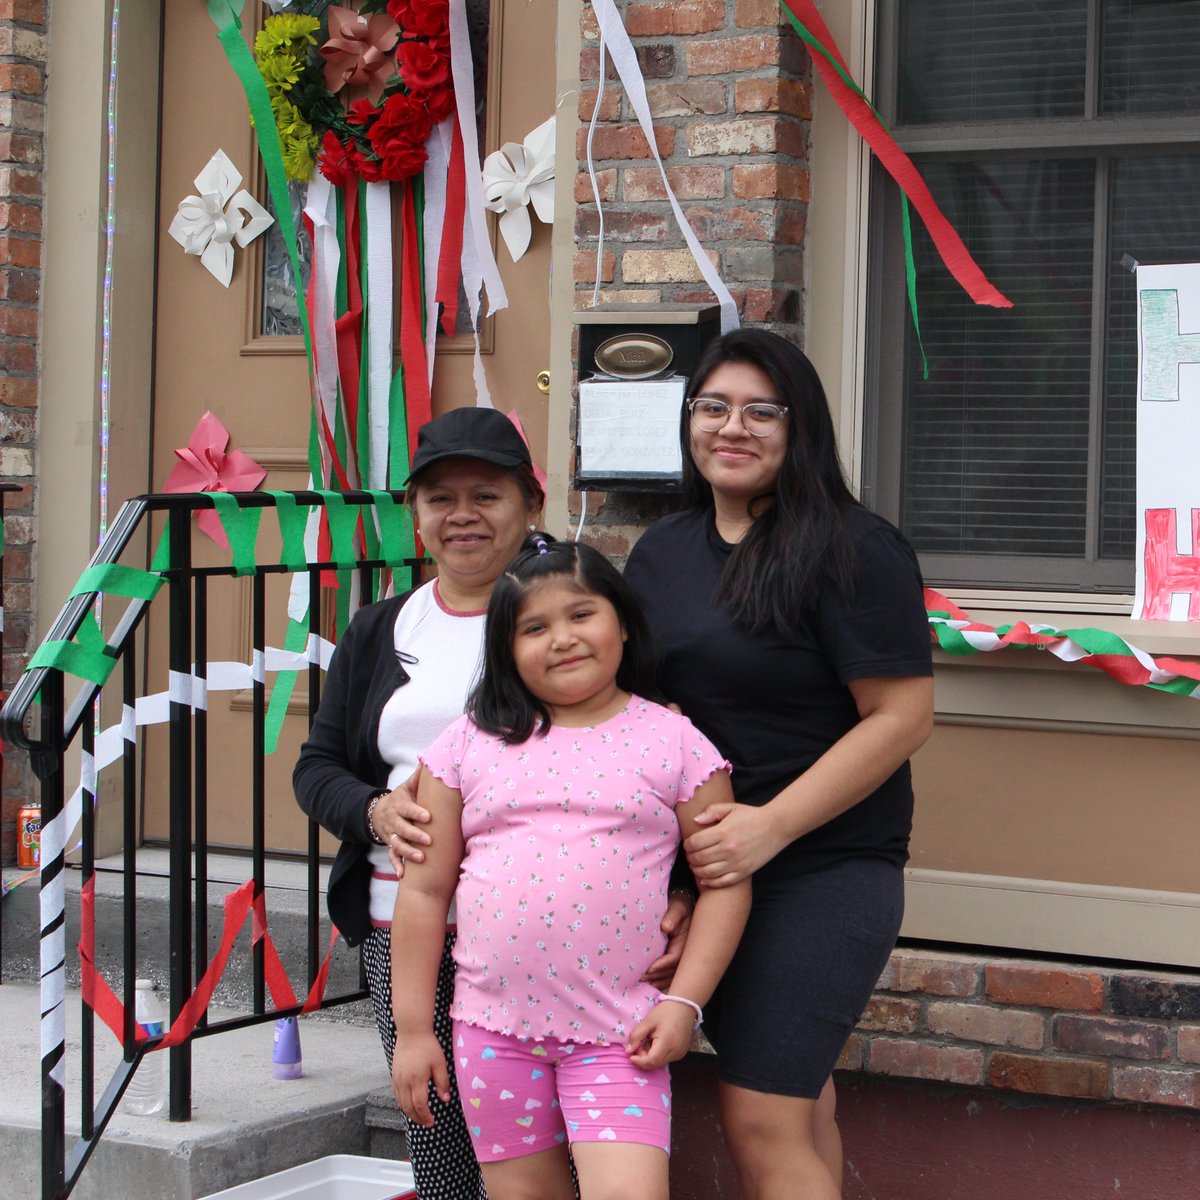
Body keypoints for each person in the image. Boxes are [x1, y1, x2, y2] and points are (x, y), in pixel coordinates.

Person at [293, 407, 692, 1200]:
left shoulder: (575, 617)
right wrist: (373, 810)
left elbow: (654, 763)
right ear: (416, 513)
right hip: (405, 923)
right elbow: (318, 765)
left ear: (532, 503)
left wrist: (679, 884)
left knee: (589, 1148)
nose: (462, 515)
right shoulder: (380, 629)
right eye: (441, 498)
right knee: (443, 1146)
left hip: (569, 946)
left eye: (487, 494)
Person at [622, 328, 935, 1200]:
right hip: (711, 873)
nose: (734, 427)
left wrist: (769, 828)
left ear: (802, 429)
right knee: (800, 1109)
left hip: (823, 869)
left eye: (762, 411)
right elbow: (654, 719)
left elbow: (903, 718)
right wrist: (679, 880)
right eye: (713, 407)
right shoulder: (662, 553)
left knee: (761, 1114)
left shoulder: (853, 547)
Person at [389, 536, 751, 1200]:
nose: (562, 638)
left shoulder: (675, 742)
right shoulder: (467, 745)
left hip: (624, 1035)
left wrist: (685, 1004)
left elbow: (724, 884)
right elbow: (424, 890)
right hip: (492, 1032)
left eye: (581, 614)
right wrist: (414, 1030)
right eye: (534, 626)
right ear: (505, 648)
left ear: (620, 620)